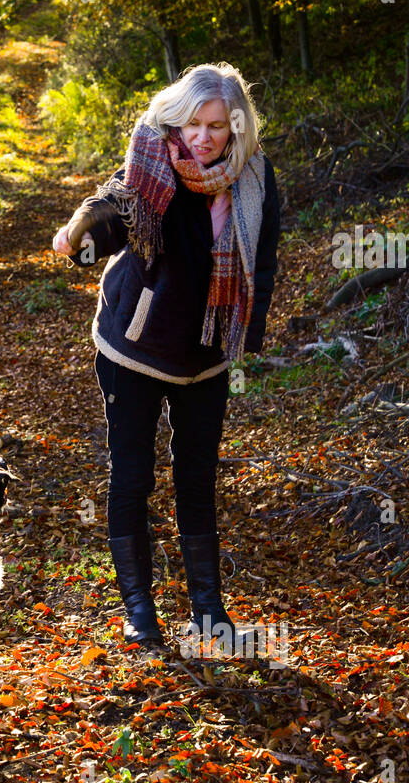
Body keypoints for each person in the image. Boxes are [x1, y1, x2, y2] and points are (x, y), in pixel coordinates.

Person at [52, 62, 281, 653]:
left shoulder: (253, 178)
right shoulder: (153, 160)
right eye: (194, 124)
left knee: (197, 477)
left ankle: (207, 608)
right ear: (177, 120)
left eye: (217, 127)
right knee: (133, 475)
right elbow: (117, 207)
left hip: (205, 350)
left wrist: (242, 336)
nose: (203, 138)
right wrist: (80, 229)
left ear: (236, 128)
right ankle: (139, 610)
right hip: (135, 344)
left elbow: (264, 259)